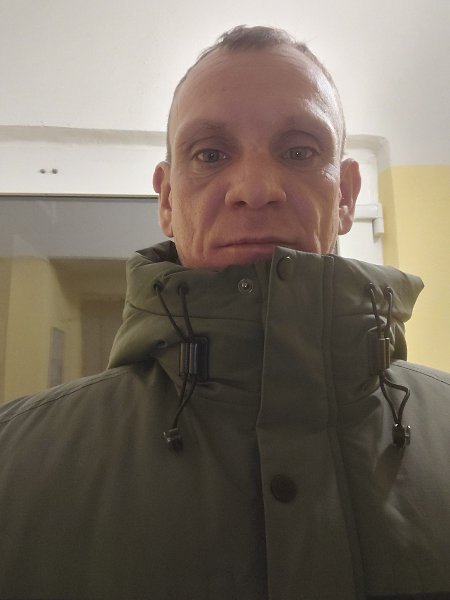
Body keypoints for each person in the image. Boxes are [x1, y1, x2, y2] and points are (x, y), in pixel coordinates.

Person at [0, 25, 449, 600]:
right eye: (210, 154)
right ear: (167, 199)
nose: (255, 188)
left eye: (299, 151)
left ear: (346, 195)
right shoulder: (13, 460)